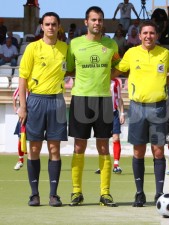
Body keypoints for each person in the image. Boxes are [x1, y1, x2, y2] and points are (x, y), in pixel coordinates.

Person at [112, 20, 169, 207]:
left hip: (159, 107)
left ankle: (159, 193)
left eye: (152, 33)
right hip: (137, 107)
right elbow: (117, 70)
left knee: (158, 150)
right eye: (145, 33)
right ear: (139, 36)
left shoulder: (165, 54)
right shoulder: (131, 53)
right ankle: (139, 193)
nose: (148, 36)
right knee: (138, 151)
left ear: (157, 35)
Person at [67, 6, 121, 207]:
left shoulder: (111, 44)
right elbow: (69, 69)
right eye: (93, 20)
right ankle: (76, 192)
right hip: (81, 99)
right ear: (86, 22)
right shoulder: (74, 44)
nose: (97, 23)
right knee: (79, 146)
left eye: (100, 20)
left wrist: (107, 77)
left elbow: (118, 66)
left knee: (103, 146)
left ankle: (105, 193)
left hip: (104, 100)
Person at [18, 12, 68, 207]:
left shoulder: (65, 48)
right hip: (36, 101)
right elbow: (22, 79)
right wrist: (23, 106)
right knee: (35, 148)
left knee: (54, 148)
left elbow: (71, 68)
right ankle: (34, 194)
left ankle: (54, 194)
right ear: (41, 26)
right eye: (47, 24)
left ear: (58, 26)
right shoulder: (32, 48)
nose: (50, 27)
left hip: (56, 101)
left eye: (54, 24)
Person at [95, 78, 125, 174]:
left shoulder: (115, 82)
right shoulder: (99, 79)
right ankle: (102, 164)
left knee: (115, 138)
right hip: (101, 115)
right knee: (102, 139)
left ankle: (116, 165)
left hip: (114, 113)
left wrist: (122, 113)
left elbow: (119, 98)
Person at [12, 87, 29, 170]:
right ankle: (20, 160)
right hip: (23, 117)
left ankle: (32, 162)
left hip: (33, 116)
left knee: (35, 141)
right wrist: (15, 108)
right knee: (20, 139)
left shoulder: (33, 86)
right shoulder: (21, 87)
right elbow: (14, 96)